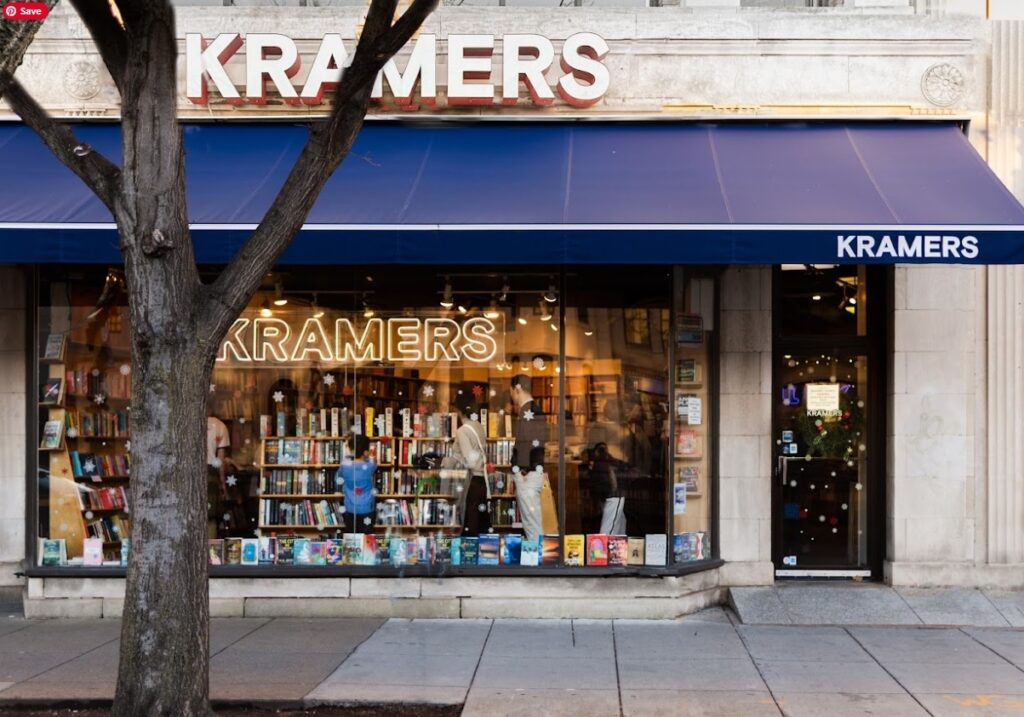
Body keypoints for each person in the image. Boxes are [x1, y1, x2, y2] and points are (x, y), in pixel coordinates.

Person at [449, 398, 490, 536]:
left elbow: (470, 462)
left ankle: (468, 556)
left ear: (458, 411)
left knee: (469, 527)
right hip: (482, 481)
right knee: (480, 526)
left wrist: (453, 462)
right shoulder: (478, 426)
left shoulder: (462, 431)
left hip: (470, 483)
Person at [338, 434, 376, 532]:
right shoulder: (370, 465)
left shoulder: (345, 466)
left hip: (350, 509)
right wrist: (367, 456)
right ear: (366, 451)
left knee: (351, 536)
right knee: (366, 538)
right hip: (367, 509)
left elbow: (340, 474)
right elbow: (373, 461)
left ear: (351, 450)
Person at [206, 415, 230, 536]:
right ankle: (211, 551)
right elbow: (220, 458)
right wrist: (222, 483)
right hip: (210, 472)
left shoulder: (187, 420)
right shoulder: (220, 426)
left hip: (190, 471)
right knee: (210, 517)